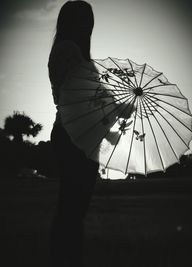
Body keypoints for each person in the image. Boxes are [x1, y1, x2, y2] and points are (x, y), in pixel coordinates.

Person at [48, 1, 99, 266]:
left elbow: (90, 97)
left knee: (75, 209)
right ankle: (64, 259)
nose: (89, 27)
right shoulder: (68, 50)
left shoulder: (76, 52)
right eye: (84, 20)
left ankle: (68, 258)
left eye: (89, 21)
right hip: (73, 136)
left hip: (82, 137)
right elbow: (78, 95)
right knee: (71, 208)